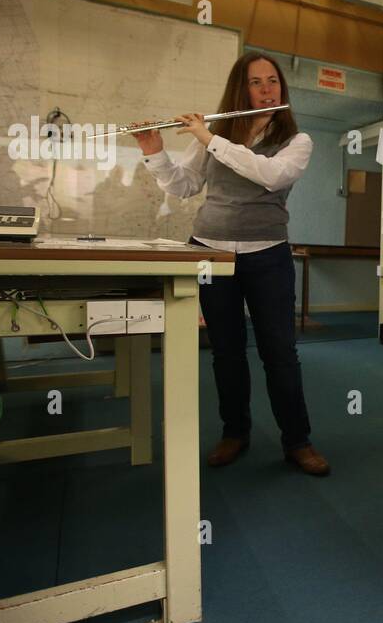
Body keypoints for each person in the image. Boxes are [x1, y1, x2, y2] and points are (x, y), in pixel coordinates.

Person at [133, 53, 329, 476]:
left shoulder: (298, 141)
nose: (265, 89)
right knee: (226, 352)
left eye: (272, 81)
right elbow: (184, 186)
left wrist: (209, 138)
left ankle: (298, 441)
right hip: (211, 251)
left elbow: (269, 176)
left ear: (282, 88)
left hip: (268, 253)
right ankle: (235, 432)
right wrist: (155, 153)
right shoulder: (215, 134)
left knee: (280, 353)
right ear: (240, 89)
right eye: (256, 82)